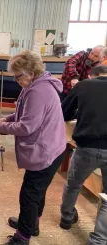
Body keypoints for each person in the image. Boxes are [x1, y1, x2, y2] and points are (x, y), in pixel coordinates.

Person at [0, 50, 66, 245]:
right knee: (36, 192)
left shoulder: (38, 91)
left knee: (29, 194)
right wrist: (4, 120)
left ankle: (22, 238)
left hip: (45, 150)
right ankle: (31, 224)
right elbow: (22, 114)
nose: (16, 80)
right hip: (51, 147)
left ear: (31, 72)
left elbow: (26, 126)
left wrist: (3, 127)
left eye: (18, 76)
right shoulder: (34, 85)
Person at [60, 65, 107, 245]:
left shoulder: (83, 86)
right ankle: (99, 239)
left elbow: (64, 112)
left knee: (73, 184)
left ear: (90, 75)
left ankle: (67, 218)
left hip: (87, 146)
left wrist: (81, 113)